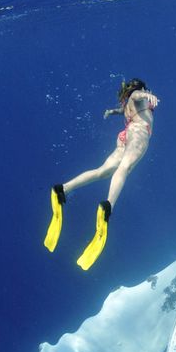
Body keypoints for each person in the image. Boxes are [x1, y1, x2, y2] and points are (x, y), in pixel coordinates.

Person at [44, 78, 159, 270]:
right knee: (125, 167)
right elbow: (137, 95)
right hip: (139, 132)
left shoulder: (128, 105)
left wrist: (111, 112)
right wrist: (148, 95)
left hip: (125, 135)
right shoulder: (138, 97)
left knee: (102, 171)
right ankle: (108, 206)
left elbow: (123, 109)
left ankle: (63, 189)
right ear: (142, 88)